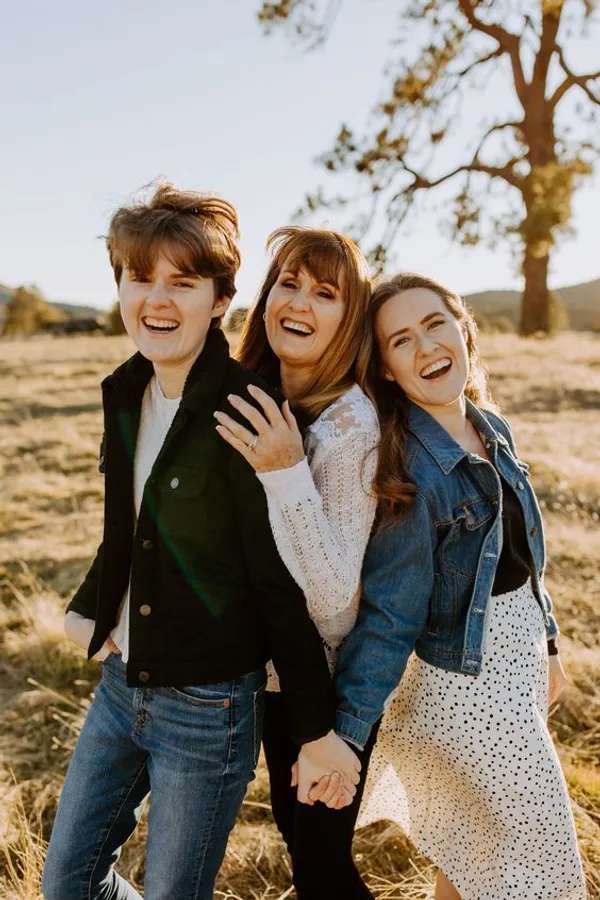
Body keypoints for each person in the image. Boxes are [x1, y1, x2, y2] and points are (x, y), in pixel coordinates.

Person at [41, 185, 360, 900]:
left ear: (221, 300)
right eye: (139, 278)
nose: (157, 299)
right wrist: (91, 608)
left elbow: (278, 585)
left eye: (182, 282)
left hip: (208, 709)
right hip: (121, 687)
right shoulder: (125, 390)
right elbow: (130, 526)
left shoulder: (247, 410)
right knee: (67, 883)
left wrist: (316, 728)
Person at [302, 272, 587, 899]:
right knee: (543, 864)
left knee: (474, 853)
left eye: (435, 325)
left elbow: (523, 555)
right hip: (464, 688)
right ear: (386, 369)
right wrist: (347, 729)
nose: (426, 346)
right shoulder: (412, 473)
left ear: (463, 330)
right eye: (401, 340)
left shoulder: (491, 426)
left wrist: (548, 645)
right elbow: (391, 612)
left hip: (515, 661)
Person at [214, 226, 380, 899]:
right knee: (300, 842)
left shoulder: (350, 427)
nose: (299, 303)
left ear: (350, 318)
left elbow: (336, 604)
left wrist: (287, 474)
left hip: (328, 680)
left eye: (324, 293)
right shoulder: (255, 396)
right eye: (288, 283)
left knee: (320, 864)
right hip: (268, 671)